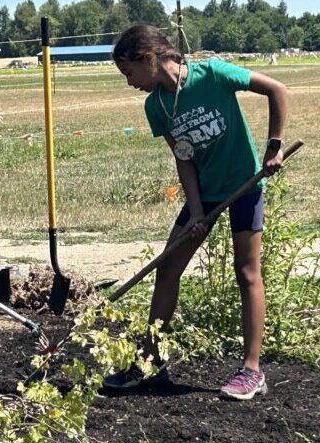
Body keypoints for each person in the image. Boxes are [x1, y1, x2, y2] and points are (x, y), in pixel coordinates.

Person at [103, 25, 287, 400]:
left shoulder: (214, 74)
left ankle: (252, 370)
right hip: (202, 192)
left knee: (247, 272)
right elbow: (183, 158)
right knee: (168, 267)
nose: (130, 83)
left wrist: (274, 147)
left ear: (149, 58)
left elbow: (277, 90)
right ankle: (150, 361)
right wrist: (198, 211)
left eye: (129, 73)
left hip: (244, 186)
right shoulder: (155, 105)